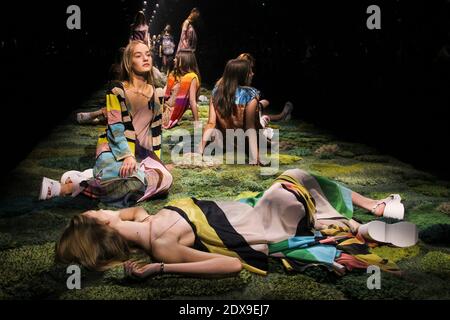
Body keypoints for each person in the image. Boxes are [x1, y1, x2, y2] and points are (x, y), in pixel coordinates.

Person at [55, 168, 416, 277]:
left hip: (260, 212)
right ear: (100, 226)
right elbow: (231, 264)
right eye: (95, 213)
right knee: (295, 177)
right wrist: (159, 269)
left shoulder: (149, 224)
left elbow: (130, 215)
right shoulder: (161, 242)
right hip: (269, 222)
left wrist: (119, 221)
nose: (102, 208)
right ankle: (365, 221)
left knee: (293, 187)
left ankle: (362, 225)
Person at [40, 41, 172, 207]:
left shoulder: (157, 94)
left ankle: (86, 180)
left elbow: (155, 134)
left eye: (148, 54)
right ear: (129, 62)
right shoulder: (117, 90)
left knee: (165, 181)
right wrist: (127, 156)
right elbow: (115, 129)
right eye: (138, 55)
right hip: (115, 150)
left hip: (142, 157)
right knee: (133, 181)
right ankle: (67, 188)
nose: (145, 58)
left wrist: (157, 162)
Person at [237, 53, 293, 122]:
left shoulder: (231, 82)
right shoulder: (249, 91)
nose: (252, 73)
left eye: (252, 68)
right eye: (250, 69)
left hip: (240, 114)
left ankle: (280, 116)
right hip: (240, 120)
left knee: (264, 102)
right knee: (262, 106)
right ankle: (281, 116)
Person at [162, 50, 200, 129]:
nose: (174, 60)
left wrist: (197, 122)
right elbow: (165, 93)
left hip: (171, 114)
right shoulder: (174, 74)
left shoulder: (191, 77)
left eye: (176, 58)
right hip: (163, 107)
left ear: (184, 61)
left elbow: (192, 101)